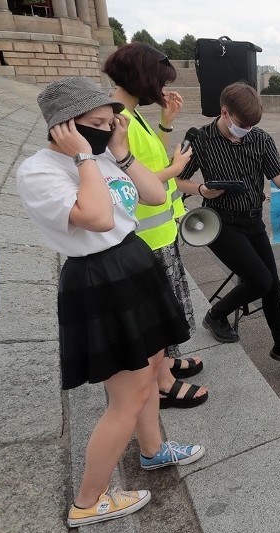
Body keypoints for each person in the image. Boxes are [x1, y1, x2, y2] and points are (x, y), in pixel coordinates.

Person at [16, 77, 205, 527]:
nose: (107, 128)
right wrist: (84, 157)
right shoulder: (40, 171)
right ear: (64, 125)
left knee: (154, 370)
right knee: (129, 393)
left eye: (109, 120)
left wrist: (119, 152)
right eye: (96, 123)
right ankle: (88, 499)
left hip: (134, 263)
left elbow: (156, 194)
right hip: (100, 277)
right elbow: (98, 219)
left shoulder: (105, 155)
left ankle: (154, 450)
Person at [177, 82, 280, 373]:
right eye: (242, 124)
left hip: (253, 220)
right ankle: (216, 314)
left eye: (252, 125)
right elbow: (176, 179)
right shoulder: (202, 139)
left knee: (272, 285)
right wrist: (201, 188)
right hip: (220, 223)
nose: (246, 130)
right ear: (224, 113)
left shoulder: (260, 139)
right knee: (261, 281)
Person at [103, 42, 209, 409]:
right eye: (159, 82)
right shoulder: (117, 121)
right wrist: (175, 170)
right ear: (142, 78)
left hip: (158, 231)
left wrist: (166, 121)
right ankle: (163, 382)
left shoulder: (132, 115)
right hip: (144, 236)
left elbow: (149, 161)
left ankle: (166, 363)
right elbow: (131, 181)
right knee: (158, 313)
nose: (162, 89)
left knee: (168, 307)